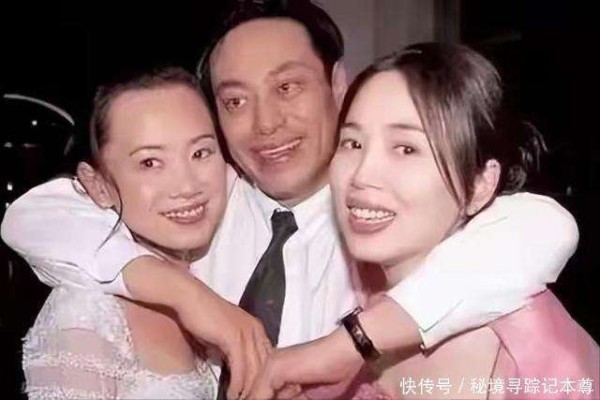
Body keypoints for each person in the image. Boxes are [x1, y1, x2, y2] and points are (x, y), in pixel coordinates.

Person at [1, 0, 579, 397]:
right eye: (235, 101)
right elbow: (35, 214)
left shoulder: (383, 223)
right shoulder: (201, 203)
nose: (265, 123)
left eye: (287, 86)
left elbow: (541, 226)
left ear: (337, 85)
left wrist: (346, 345)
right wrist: (188, 296)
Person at [248, 43, 599, 400]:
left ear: (480, 184)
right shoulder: (361, 294)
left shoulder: (531, 354)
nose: (362, 174)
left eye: (406, 149)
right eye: (352, 143)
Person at [20, 66, 243, 399]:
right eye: (150, 163)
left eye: (200, 153)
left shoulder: (225, 256)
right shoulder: (85, 315)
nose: (187, 186)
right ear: (98, 185)